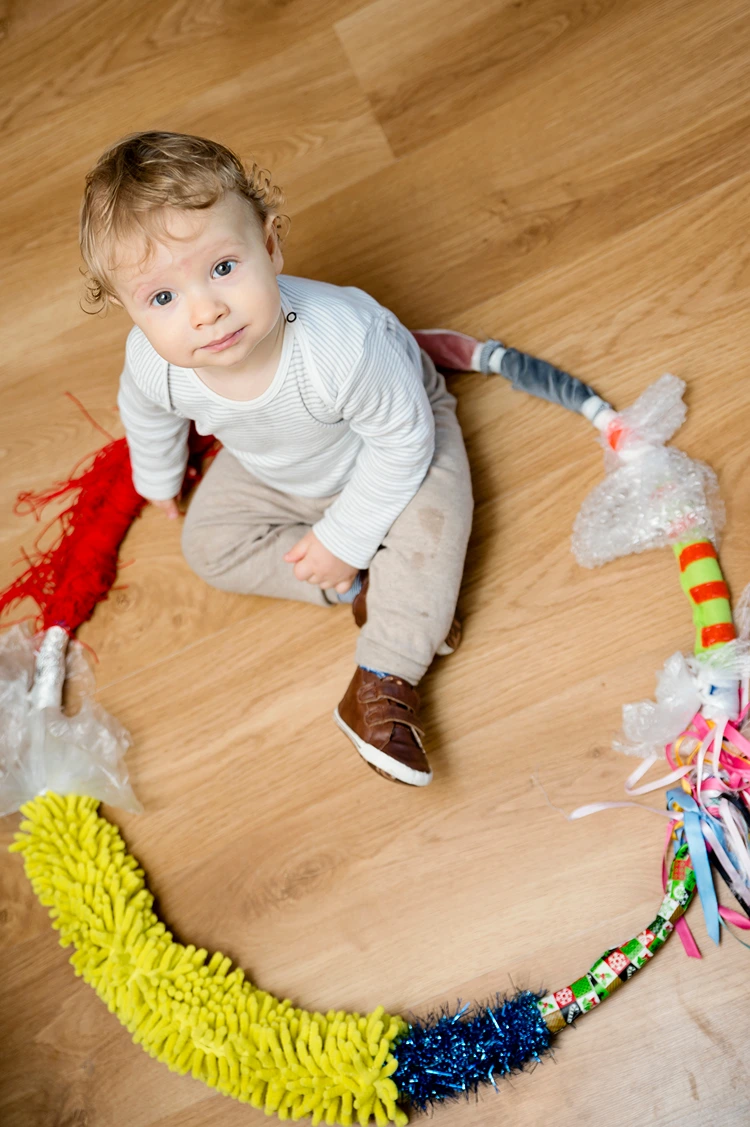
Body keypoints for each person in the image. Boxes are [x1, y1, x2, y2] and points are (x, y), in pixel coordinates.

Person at [79, 130, 474, 787]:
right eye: (163, 298)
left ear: (269, 246)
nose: (206, 311)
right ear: (130, 311)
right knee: (207, 546)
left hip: (390, 447)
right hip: (275, 463)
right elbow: (145, 412)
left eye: (222, 268)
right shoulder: (154, 363)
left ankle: (383, 678)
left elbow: (404, 443)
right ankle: (366, 589)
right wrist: (158, 477)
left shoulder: (341, 344)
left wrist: (345, 536)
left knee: (437, 528)